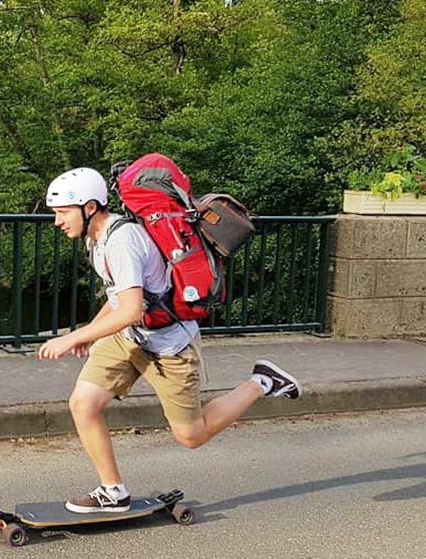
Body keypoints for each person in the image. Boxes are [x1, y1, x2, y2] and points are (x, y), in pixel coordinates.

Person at [37, 167, 301, 514]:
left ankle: (262, 381)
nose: (57, 222)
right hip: (129, 338)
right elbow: (121, 296)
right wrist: (93, 327)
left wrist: (74, 336)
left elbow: (130, 309)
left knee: (192, 436)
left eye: (62, 212)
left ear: (89, 208)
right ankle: (112, 491)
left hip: (168, 346)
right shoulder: (96, 239)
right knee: (83, 404)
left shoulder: (121, 240)